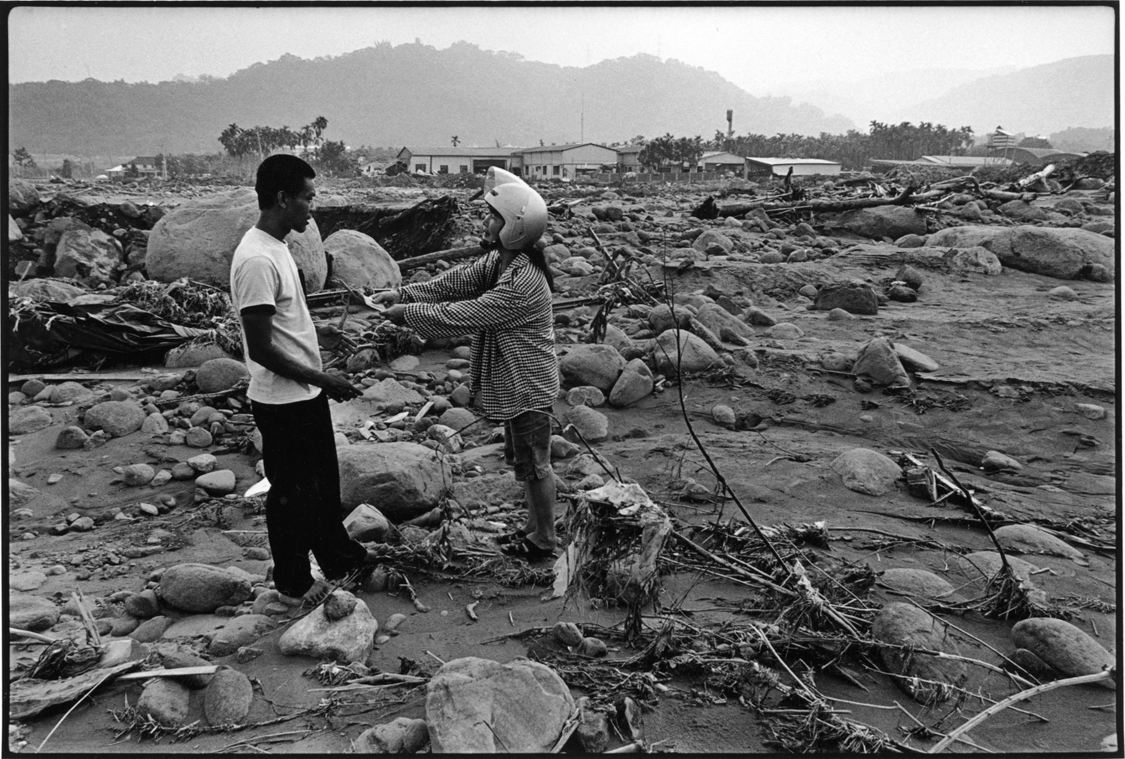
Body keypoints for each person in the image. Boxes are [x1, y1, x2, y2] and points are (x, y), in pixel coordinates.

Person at [379, 177, 561, 562]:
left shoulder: (523, 281)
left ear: (514, 226)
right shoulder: (502, 261)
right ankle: (533, 528)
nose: (486, 224)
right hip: (514, 381)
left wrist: (407, 314)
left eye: (493, 218)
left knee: (535, 464)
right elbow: (457, 282)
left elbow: (465, 312)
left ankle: (546, 537)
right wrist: (406, 294)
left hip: (527, 382)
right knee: (523, 460)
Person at [229, 154, 376, 607]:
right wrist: (324, 378)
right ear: (281, 198)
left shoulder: (278, 248)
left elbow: (284, 323)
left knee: (321, 487)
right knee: (290, 494)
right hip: (281, 399)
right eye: (308, 197)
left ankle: (339, 559)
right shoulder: (255, 259)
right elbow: (261, 347)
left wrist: (320, 333)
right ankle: (292, 581)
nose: (313, 207)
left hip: (303, 392)